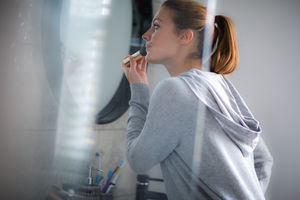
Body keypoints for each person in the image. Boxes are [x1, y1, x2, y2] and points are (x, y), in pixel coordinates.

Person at [121, 0, 273, 199]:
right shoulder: (219, 84)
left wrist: (138, 89)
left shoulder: (174, 89)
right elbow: (263, 160)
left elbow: (138, 160)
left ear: (185, 36)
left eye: (156, 26)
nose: (145, 35)